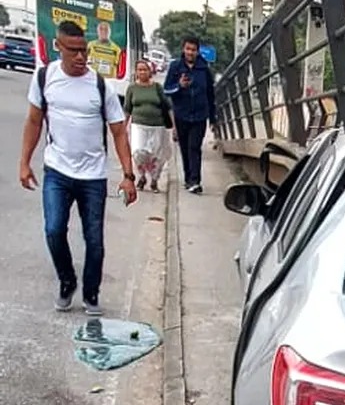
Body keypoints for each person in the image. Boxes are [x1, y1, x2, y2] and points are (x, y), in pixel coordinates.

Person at [19, 20, 137, 315]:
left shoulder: (101, 86)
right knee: (54, 230)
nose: (80, 57)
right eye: (73, 51)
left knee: (94, 240)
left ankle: (91, 293)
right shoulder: (45, 77)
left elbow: (119, 131)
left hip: (93, 177)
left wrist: (128, 175)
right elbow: (34, 121)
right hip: (57, 171)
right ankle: (66, 280)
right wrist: (24, 162)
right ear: (58, 47)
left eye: (83, 50)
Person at [163, 37, 215, 194]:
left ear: (198, 51)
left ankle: (195, 181)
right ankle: (188, 178)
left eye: (193, 50)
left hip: (199, 115)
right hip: (181, 115)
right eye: (188, 49)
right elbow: (166, 90)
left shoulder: (204, 69)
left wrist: (213, 118)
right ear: (183, 49)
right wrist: (179, 86)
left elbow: (210, 94)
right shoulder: (176, 67)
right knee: (185, 148)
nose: (190, 52)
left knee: (195, 147)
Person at [124, 58, 172, 191]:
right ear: (136, 72)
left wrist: (174, 128)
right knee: (138, 152)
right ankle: (142, 176)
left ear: (150, 71)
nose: (142, 72)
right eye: (139, 70)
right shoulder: (132, 88)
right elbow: (127, 109)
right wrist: (123, 128)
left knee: (157, 155)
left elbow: (168, 107)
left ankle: (154, 180)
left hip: (158, 126)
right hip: (139, 126)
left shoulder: (157, 87)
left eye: (145, 69)